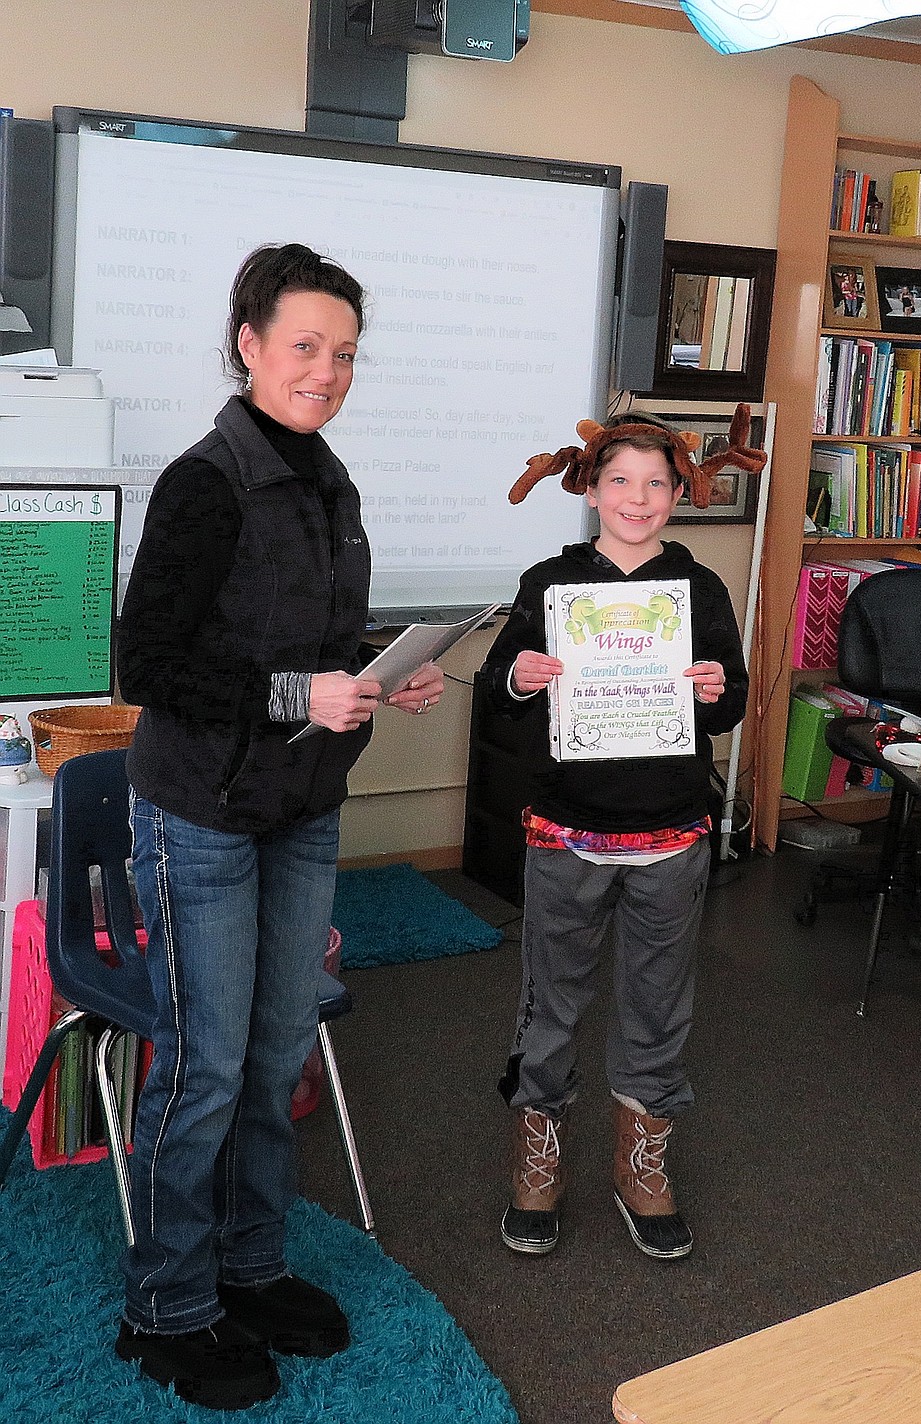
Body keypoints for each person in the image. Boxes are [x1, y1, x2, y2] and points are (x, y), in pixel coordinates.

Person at [115, 243, 443, 1410]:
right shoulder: (204, 481)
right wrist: (303, 692)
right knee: (203, 1067)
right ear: (249, 344)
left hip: (300, 806)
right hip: (200, 812)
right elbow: (145, 663)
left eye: (345, 352)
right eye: (305, 346)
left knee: (274, 1052)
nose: (327, 370)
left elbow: (301, 635)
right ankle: (166, 1305)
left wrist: (373, 674)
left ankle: (248, 1268)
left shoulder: (327, 478)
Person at [484, 411, 760, 1261]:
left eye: (655, 483)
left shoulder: (698, 592)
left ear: (679, 493)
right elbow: (498, 687)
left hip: (670, 831)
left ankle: (643, 1160)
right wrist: (523, 676)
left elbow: (734, 699)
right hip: (565, 826)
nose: (636, 499)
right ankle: (540, 1155)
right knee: (551, 998)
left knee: (657, 1002)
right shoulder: (548, 584)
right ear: (590, 489)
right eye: (619, 482)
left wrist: (716, 688)